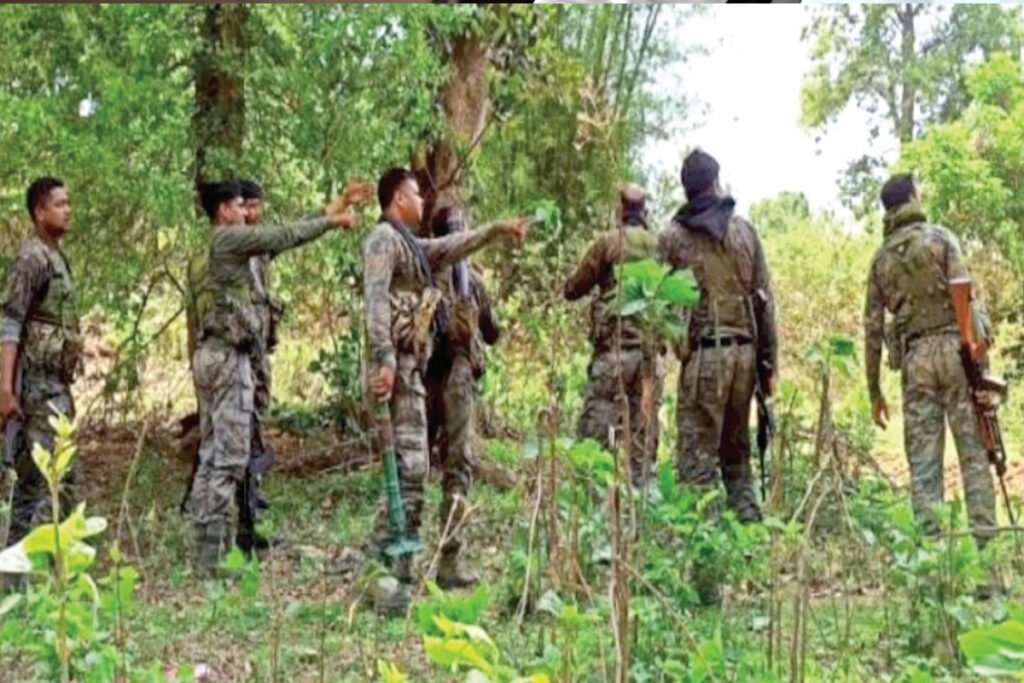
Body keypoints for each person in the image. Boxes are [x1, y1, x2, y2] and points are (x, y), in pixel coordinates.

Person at [189, 178, 372, 577]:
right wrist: (334, 221)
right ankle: (212, 560)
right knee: (228, 459)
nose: (246, 213)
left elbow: (284, 234)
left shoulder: (222, 244)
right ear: (223, 210)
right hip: (227, 359)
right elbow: (285, 234)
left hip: (214, 355)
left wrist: (333, 208)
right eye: (240, 205)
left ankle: (206, 552)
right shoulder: (226, 240)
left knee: (212, 454)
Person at [363, 168, 527, 611]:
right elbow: (375, 300)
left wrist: (496, 230)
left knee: (413, 471)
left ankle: (396, 567)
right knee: (409, 470)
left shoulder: (411, 246)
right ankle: (382, 566)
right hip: (397, 369)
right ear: (399, 198)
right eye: (416, 194)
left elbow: (453, 247)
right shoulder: (383, 240)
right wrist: (383, 359)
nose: (421, 201)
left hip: (412, 370)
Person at [864, 173, 997, 548]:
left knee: (924, 466)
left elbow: (872, 330)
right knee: (974, 456)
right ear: (912, 198)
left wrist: (874, 390)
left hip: (916, 359)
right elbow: (963, 294)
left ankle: (932, 566)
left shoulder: (880, 259)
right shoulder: (940, 238)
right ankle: (987, 563)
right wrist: (975, 352)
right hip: (958, 352)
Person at [1, 177, 82, 551]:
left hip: (55, 386)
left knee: (54, 481)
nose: (68, 210)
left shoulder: (54, 256)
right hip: (36, 389)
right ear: (39, 211)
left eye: (68, 203)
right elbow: (10, 322)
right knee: (43, 483)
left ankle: (51, 573)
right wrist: (5, 390)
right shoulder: (32, 258)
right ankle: (14, 576)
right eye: (59, 204)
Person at [424, 205, 502, 589]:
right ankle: (448, 557)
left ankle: (405, 555)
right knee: (456, 465)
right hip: (452, 375)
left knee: (417, 464)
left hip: (423, 377)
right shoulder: (467, 277)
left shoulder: (422, 270)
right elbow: (493, 332)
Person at [564, 184, 663, 487]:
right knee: (642, 447)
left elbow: (573, 289)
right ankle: (640, 518)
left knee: (593, 443)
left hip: (613, 356)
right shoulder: (661, 247)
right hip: (649, 362)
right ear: (645, 212)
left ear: (619, 211)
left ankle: (590, 513)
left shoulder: (608, 243)